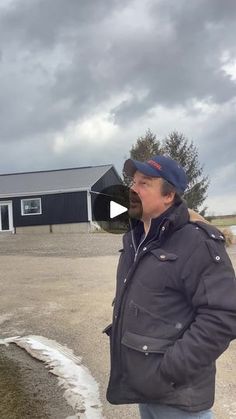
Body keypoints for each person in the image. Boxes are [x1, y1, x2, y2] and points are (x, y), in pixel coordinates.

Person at [104, 155, 236, 419]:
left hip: (177, 399)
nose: (133, 188)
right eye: (133, 181)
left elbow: (224, 316)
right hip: (148, 390)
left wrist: (169, 370)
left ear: (168, 195)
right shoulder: (137, 238)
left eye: (145, 183)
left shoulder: (197, 243)